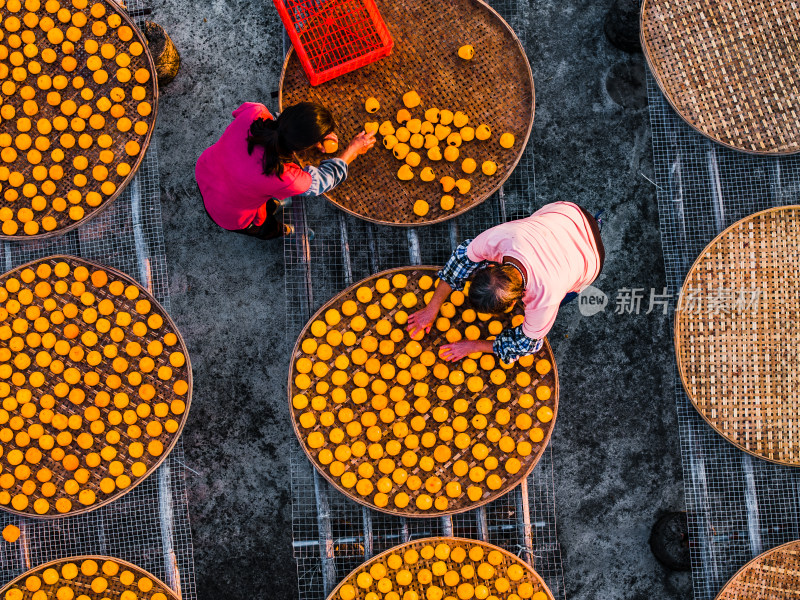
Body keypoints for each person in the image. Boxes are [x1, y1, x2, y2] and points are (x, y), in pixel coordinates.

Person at [407, 201, 605, 363]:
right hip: (566, 215)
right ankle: (596, 222)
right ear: (491, 267)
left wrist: (474, 346)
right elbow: (459, 261)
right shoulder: (498, 239)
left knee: (564, 295)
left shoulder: (546, 298)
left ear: (513, 303)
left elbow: (527, 344)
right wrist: (431, 309)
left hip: (590, 255)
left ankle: (598, 225)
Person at [196, 101, 376, 239]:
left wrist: (305, 135)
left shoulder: (256, 112)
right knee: (266, 228)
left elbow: (238, 113)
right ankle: (287, 231)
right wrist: (352, 150)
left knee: (261, 198)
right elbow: (323, 180)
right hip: (228, 213)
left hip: (206, 173)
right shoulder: (284, 175)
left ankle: (273, 205)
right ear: (304, 146)